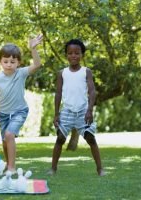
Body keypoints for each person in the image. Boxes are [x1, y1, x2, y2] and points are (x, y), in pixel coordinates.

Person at [0, 34, 43, 173]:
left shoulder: (21, 73)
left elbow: (37, 64)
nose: (9, 64)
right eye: (6, 61)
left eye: (13, 62)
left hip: (19, 111)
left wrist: (33, 49)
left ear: (18, 63)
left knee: (9, 135)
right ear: (0, 61)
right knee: (5, 141)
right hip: (4, 114)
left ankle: (12, 167)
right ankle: (8, 165)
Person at [48, 39, 106, 176]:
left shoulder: (87, 72)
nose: (73, 56)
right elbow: (58, 93)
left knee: (90, 138)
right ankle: (53, 169)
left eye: (77, 53)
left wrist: (89, 110)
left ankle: (100, 169)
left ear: (82, 55)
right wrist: (56, 114)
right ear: (66, 55)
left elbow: (92, 91)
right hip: (67, 111)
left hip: (83, 111)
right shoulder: (62, 73)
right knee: (60, 139)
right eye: (70, 53)